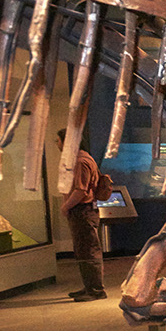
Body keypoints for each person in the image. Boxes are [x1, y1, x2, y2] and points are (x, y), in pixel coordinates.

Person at [57, 127, 105, 301]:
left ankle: (96, 290)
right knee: (83, 250)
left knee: (89, 250)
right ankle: (89, 287)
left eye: (59, 140)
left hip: (82, 211)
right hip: (81, 211)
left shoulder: (80, 161)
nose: (57, 144)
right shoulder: (80, 160)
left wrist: (66, 206)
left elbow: (80, 190)